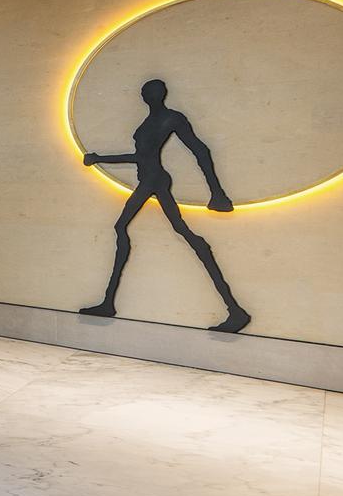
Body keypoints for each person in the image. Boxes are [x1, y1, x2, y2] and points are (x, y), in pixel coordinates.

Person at [79, 79, 250, 333]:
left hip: (154, 179)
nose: (147, 95)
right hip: (152, 179)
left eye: (150, 91)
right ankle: (108, 303)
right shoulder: (152, 121)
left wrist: (217, 192)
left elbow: (198, 150)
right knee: (173, 230)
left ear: (159, 94)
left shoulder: (171, 119)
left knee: (125, 227)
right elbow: (145, 156)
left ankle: (235, 310)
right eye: (146, 92)